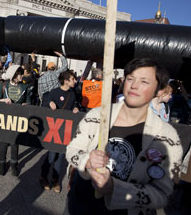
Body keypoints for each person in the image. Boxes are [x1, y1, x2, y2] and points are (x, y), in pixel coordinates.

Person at [65, 58, 183, 215]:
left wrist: (113, 188)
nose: (134, 85)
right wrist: (86, 160)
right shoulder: (96, 115)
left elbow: (162, 194)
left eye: (144, 81)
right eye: (130, 78)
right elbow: (72, 150)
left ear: (159, 91)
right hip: (79, 206)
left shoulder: (166, 136)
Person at [40, 70, 79, 193]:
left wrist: (76, 108)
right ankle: (43, 175)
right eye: (73, 79)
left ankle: (55, 180)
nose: (75, 81)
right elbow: (45, 104)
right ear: (66, 81)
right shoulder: (55, 92)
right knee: (52, 155)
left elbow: (74, 105)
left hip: (65, 130)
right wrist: (49, 102)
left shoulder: (72, 94)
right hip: (53, 129)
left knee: (61, 155)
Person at [0, 65, 31, 176]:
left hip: (18, 117)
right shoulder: (3, 86)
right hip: (4, 118)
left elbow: (29, 101)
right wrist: (4, 100)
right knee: (3, 142)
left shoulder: (25, 87)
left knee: (15, 142)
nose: (22, 75)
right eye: (19, 73)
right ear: (14, 75)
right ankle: (1, 165)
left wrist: (26, 104)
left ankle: (14, 165)